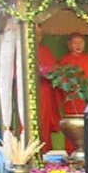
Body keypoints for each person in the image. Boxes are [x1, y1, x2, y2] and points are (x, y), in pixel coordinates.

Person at [59, 32, 88, 153]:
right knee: (71, 131)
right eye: (75, 43)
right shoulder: (64, 62)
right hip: (72, 102)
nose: (78, 46)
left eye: (81, 43)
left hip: (87, 101)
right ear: (69, 45)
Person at [36, 24, 62, 153]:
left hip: (44, 91)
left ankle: (44, 151)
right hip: (25, 91)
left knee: (44, 121)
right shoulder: (22, 50)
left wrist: (43, 72)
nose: (37, 37)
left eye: (40, 35)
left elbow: (53, 72)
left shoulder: (45, 51)